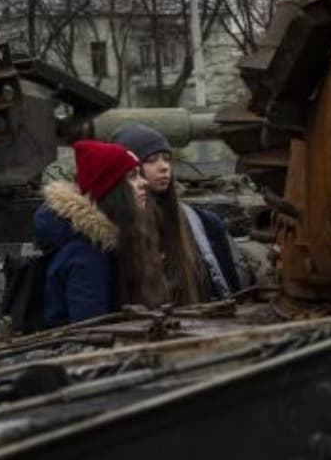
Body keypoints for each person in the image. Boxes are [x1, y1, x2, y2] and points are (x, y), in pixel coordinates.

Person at [32, 140, 168, 326]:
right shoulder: (86, 256)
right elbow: (92, 334)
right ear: (112, 190)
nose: (143, 183)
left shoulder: (105, 244)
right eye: (132, 176)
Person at [109, 123, 246, 302]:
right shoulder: (111, 229)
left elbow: (230, 289)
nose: (164, 167)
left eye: (166, 159)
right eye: (151, 160)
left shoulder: (203, 224)